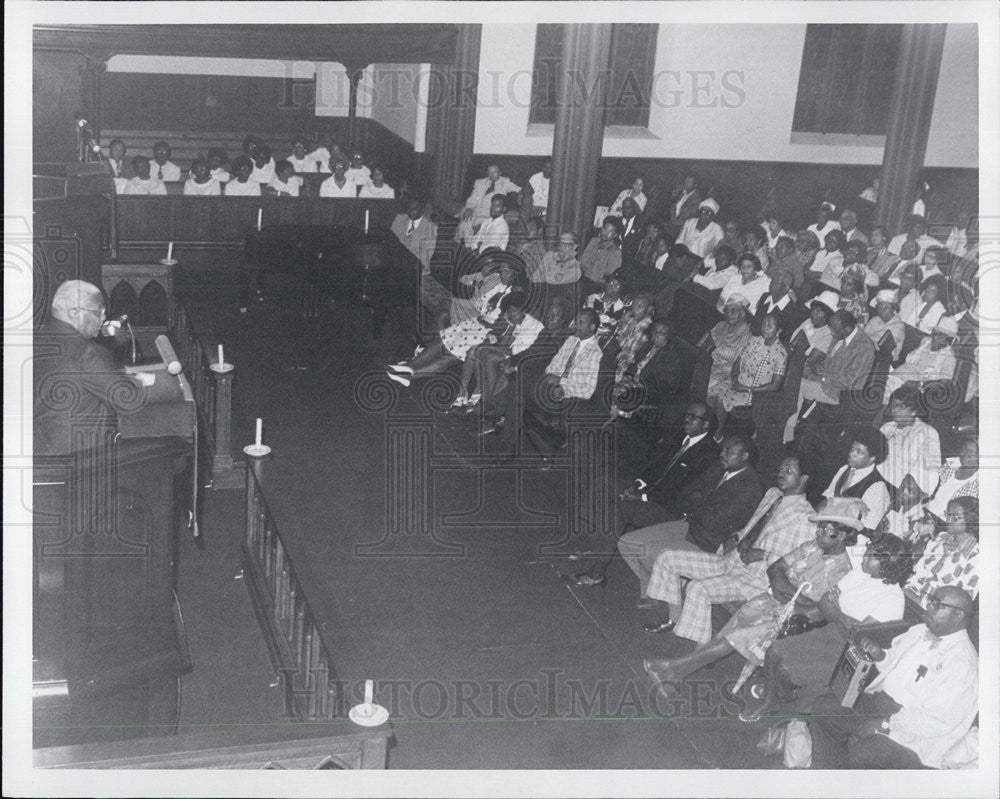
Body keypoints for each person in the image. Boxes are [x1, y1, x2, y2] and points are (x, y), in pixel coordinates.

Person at [642, 497, 856, 686]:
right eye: (818, 528)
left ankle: (672, 667)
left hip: (793, 619)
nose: (817, 533)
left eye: (824, 530)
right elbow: (775, 569)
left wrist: (786, 594)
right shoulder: (812, 547)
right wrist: (792, 593)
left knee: (734, 638)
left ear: (842, 535)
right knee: (729, 632)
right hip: (772, 600)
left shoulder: (844, 570)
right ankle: (676, 673)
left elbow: (815, 612)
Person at [640, 454, 816, 642]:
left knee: (697, 588)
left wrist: (765, 555)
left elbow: (801, 565)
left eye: (788, 471)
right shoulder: (773, 494)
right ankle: (673, 619)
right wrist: (737, 536)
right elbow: (754, 525)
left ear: (803, 478)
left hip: (753, 580)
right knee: (667, 558)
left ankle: (700, 651)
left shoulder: (807, 518)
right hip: (731, 560)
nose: (781, 473)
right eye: (781, 469)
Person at [806, 585, 977, 769]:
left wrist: (885, 724)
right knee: (823, 707)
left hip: (914, 731)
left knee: (866, 752)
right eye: (931, 601)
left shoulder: (963, 663)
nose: (928, 607)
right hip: (881, 701)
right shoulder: (920, 631)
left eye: (937, 605)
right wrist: (880, 655)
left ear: (958, 615)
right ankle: (827, 775)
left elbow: (938, 720)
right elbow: (893, 659)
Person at [751, 533, 911, 719]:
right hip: (833, 630)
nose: (864, 557)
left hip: (850, 653)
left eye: (871, 555)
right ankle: (771, 702)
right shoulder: (861, 573)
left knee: (785, 671)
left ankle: (785, 696)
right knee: (774, 651)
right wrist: (841, 616)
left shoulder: (892, 599)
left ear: (888, 565)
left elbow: (859, 635)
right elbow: (825, 603)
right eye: (867, 551)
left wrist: (838, 613)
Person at [616, 433, 764, 593]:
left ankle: (664, 594)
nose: (722, 454)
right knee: (627, 543)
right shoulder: (719, 467)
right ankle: (660, 590)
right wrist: (698, 502)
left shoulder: (750, 488)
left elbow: (713, 522)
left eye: (729, 452)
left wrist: (696, 499)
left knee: (649, 552)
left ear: (745, 456)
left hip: (707, 543)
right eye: (723, 450)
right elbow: (684, 495)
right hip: (688, 526)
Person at [34, 280, 152, 455]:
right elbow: (128, 400)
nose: (104, 318)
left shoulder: (37, 337)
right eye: (98, 312)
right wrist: (146, 381)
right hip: (78, 464)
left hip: (36, 453)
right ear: (74, 312)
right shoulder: (88, 352)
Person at [522, 308, 604, 458]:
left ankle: (549, 445)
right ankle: (547, 440)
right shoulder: (571, 340)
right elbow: (552, 366)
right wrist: (553, 381)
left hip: (572, 394)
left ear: (592, 327)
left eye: (581, 323)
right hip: (554, 386)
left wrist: (562, 383)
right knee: (524, 391)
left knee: (535, 406)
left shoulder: (596, 353)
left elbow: (588, 390)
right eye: (575, 321)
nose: (575, 325)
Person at [788, 310, 876, 447]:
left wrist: (821, 378)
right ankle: (791, 427)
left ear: (848, 328)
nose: (831, 332)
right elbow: (831, 362)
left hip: (842, 394)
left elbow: (851, 380)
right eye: (831, 327)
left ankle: (788, 433)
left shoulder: (864, 346)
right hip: (828, 383)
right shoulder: (839, 335)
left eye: (835, 329)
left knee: (796, 385)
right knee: (794, 377)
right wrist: (817, 370)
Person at [450, 292, 541, 411]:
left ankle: (483, 398)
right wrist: (510, 327)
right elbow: (503, 344)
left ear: (525, 311)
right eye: (509, 311)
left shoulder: (533, 327)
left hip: (519, 358)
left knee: (486, 355)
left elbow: (514, 352)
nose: (511, 315)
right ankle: (463, 392)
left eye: (515, 312)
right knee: (473, 350)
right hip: (509, 352)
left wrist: (488, 348)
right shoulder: (516, 321)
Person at [707, 313, 786, 436]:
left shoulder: (780, 354)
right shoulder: (755, 340)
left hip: (754, 392)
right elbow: (739, 360)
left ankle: (717, 434)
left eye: (769, 325)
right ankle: (709, 430)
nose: (765, 327)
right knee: (711, 394)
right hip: (737, 382)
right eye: (764, 324)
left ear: (778, 330)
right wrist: (734, 379)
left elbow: (775, 385)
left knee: (720, 401)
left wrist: (747, 388)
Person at [822, 427, 891, 542]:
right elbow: (828, 498)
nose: (851, 453)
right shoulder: (844, 469)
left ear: (872, 459)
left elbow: (867, 527)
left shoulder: (878, 487)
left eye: (859, 452)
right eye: (852, 448)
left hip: (850, 541)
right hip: (827, 530)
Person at [906, 497, 978, 604]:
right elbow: (918, 572)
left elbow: (965, 599)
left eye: (955, 517)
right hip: (912, 594)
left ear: (971, 520)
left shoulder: (975, 556)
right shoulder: (941, 537)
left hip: (936, 610)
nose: (948, 520)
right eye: (947, 514)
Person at [879, 385, 941, 496]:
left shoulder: (927, 432)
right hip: (878, 482)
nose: (894, 410)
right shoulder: (886, 428)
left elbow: (932, 469)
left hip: (902, 489)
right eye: (893, 406)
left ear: (914, 410)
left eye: (900, 406)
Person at [882, 316, 958, 401]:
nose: (934, 337)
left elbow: (945, 383)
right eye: (934, 333)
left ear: (948, 339)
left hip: (908, 387)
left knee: (880, 398)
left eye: (940, 335)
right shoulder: (925, 342)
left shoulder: (949, 358)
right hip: (895, 376)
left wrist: (919, 383)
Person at [456, 164, 520, 246]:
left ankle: (472, 247)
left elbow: (519, 189)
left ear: (500, 173)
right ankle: (466, 247)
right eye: (489, 172)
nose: (492, 175)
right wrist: (469, 208)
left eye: (495, 172)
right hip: (476, 211)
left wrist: (521, 194)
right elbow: (473, 198)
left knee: (479, 229)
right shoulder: (479, 182)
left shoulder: (505, 182)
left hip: (490, 213)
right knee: (464, 225)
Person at [703, 295, 752, 403]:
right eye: (727, 311)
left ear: (743, 313)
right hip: (707, 364)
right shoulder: (720, 325)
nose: (729, 314)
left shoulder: (746, 335)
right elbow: (704, 342)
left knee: (702, 385)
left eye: (733, 311)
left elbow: (737, 365)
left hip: (724, 373)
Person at [925, 437, 978, 523]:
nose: (965, 454)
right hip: (924, 511)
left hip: (945, 524)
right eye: (964, 449)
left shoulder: (978, 484)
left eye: (971, 452)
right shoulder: (950, 465)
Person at [863, 289, 906, 363]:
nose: (881, 310)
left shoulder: (899, 327)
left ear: (894, 309)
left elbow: (879, 345)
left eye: (886, 308)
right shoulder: (875, 319)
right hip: (865, 353)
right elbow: (862, 336)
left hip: (883, 363)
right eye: (879, 307)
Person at [585, 275, 630, 343]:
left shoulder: (620, 308)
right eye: (611, 283)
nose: (612, 287)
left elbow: (614, 329)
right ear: (606, 283)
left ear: (620, 291)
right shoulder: (593, 298)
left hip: (601, 340)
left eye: (616, 286)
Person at [579, 219, 623, 285]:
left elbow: (610, 278)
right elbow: (582, 260)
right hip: (581, 279)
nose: (605, 233)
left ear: (615, 235)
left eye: (610, 231)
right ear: (601, 228)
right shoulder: (594, 241)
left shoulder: (615, 252)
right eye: (605, 229)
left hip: (596, 285)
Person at [513, 216, 548, 281]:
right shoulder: (525, 244)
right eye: (526, 228)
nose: (527, 231)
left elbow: (529, 272)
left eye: (531, 229)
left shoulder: (538, 248)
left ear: (539, 231)